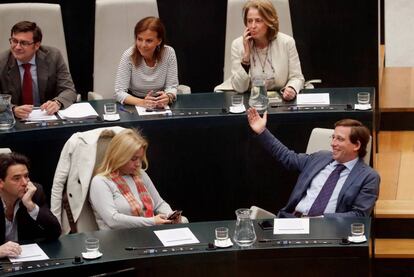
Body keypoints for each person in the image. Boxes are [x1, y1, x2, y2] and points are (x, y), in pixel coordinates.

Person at [247, 108, 380, 217]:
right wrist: (262, 131)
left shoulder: (368, 177)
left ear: (356, 145)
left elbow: (359, 214)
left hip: (328, 230)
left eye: (340, 139)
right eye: (333, 137)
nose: (333, 143)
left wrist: (321, 220)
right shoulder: (320, 158)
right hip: (293, 222)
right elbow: (287, 157)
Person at [89, 129, 186, 230]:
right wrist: (152, 221)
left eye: (140, 158)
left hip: (148, 234)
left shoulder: (140, 174)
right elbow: (113, 220)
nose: (138, 164)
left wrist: (170, 216)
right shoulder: (100, 182)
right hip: (118, 240)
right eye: (134, 159)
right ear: (118, 156)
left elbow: (159, 204)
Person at [229, 0, 304, 101]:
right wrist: (246, 57)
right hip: (251, 102)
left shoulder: (287, 42)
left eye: (258, 20)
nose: (253, 26)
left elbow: (297, 77)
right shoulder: (237, 45)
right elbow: (239, 88)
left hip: (281, 101)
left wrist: (291, 88)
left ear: (269, 22)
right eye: (249, 21)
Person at [0, 21, 77, 119]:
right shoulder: (2, 62)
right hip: (15, 122)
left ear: (36, 45)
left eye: (24, 43)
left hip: (47, 117)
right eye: (14, 41)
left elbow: (69, 90)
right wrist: (12, 109)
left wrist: (57, 102)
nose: (17, 47)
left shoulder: (54, 56)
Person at [0, 153, 61, 258]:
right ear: (1, 183)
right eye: (16, 178)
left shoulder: (35, 193)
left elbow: (55, 232)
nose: (25, 182)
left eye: (26, 176)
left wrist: (31, 206)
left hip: (24, 259)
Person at [114, 16, 178, 109]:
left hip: (160, 102)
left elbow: (172, 86)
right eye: (139, 39)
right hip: (135, 102)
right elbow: (119, 92)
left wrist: (168, 97)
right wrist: (143, 102)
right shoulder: (128, 55)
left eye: (149, 41)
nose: (143, 45)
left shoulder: (169, 53)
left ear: (159, 41)